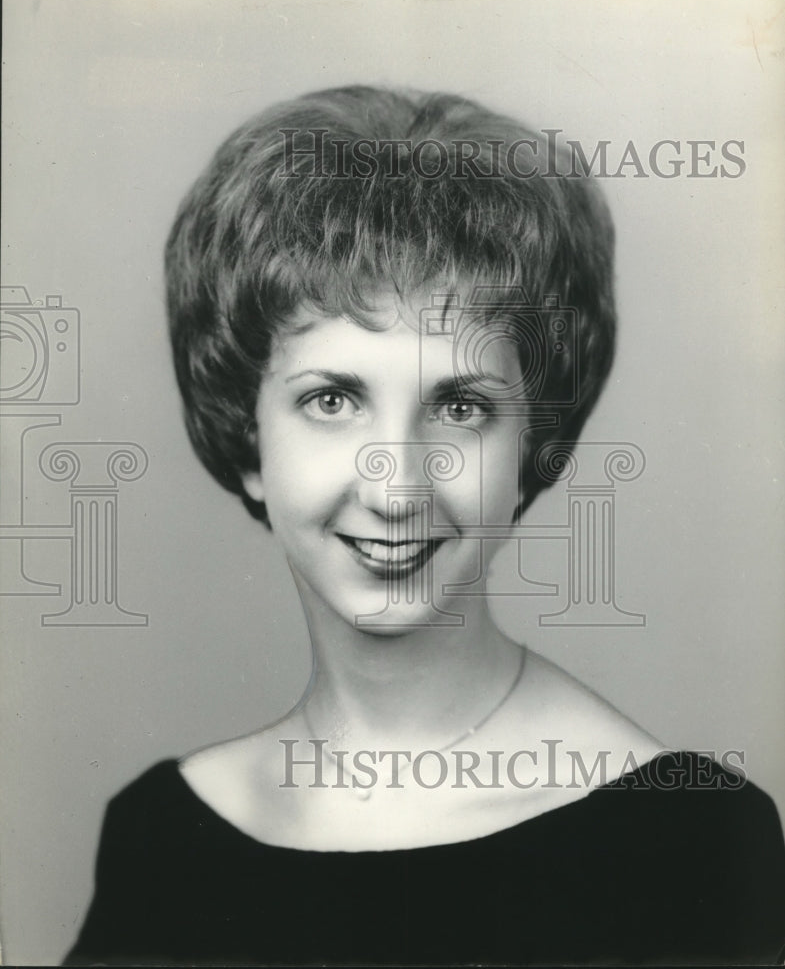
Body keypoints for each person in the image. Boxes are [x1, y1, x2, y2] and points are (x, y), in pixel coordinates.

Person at [64, 86, 785, 966]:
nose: (396, 485)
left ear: (531, 446)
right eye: (331, 400)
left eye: (460, 406)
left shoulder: (687, 848)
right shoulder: (161, 839)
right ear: (244, 438)